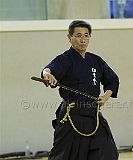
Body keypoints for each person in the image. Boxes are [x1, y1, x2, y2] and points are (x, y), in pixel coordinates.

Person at [41, 20, 119, 160]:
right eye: (78, 35)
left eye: (86, 35)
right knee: (64, 156)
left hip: (93, 115)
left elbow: (112, 80)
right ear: (69, 37)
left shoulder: (96, 61)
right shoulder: (65, 59)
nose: (83, 40)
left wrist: (106, 96)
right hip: (71, 115)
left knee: (107, 152)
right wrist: (47, 75)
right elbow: (49, 69)